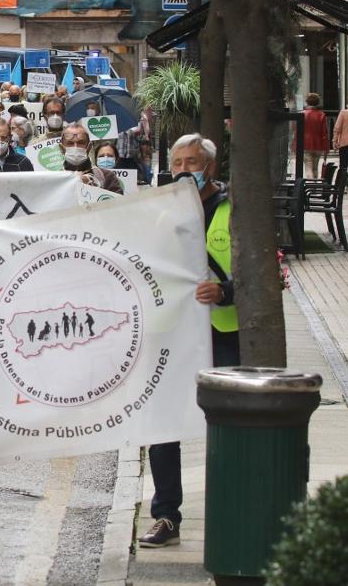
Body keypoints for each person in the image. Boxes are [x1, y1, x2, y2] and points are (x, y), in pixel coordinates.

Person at [140, 133, 238, 550]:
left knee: (228, 426)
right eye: (177, 163)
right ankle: (165, 515)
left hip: (225, 334)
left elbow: (264, 271)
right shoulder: (163, 212)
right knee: (164, 423)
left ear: (210, 167)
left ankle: (232, 510)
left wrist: (225, 292)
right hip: (175, 333)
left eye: (192, 163)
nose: (183, 170)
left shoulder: (234, 209)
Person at [60, 123, 123, 193]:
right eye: (70, 143)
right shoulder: (56, 179)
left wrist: (92, 186)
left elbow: (119, 200)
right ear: (62, 149)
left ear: (89, 147)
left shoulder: (107, 177)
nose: (76, 147)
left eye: (81, 143)